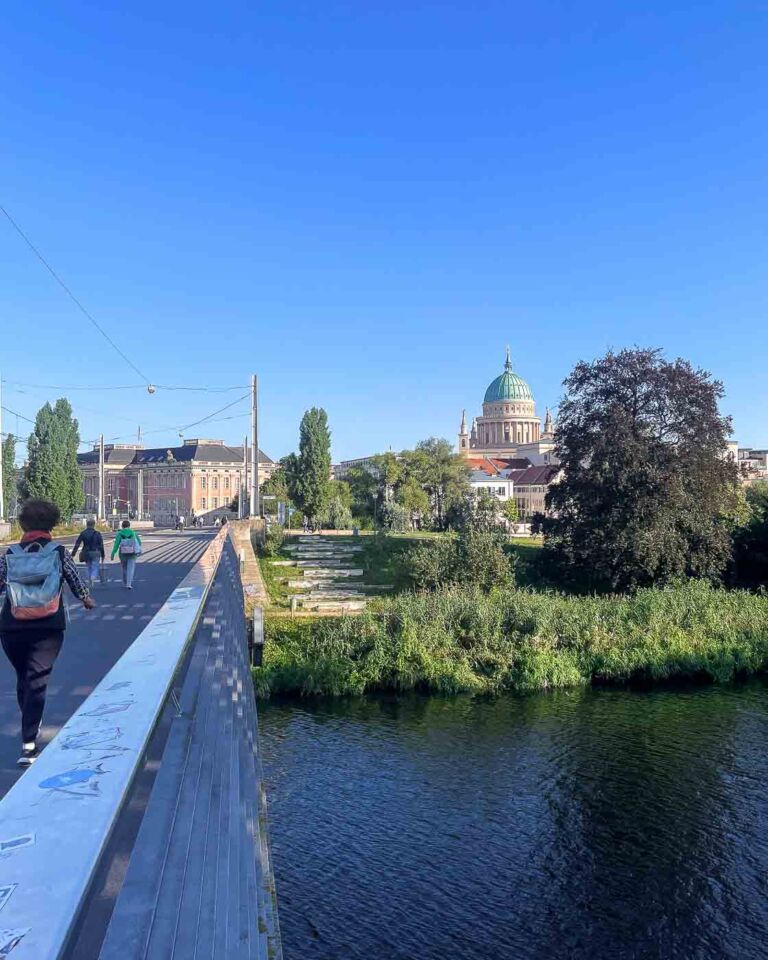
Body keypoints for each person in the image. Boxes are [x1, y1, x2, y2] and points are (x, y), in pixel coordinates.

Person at [0, 499, 95, 766]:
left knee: (25, 678)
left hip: (11, 626)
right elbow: (74, 578)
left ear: (23, 524)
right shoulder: (58, 552)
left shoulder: (10, 554)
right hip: (48, 626)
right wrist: (86, 598)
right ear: (52, 524)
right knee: (37, 680)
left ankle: (30, 721)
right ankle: (28, 746)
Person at [71, 518, 105, 589]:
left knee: (88, 566)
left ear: (87, 525)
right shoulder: (97, 534)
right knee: (95, 566)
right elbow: (101, 545)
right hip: (96, 552)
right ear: (94, 525)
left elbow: (77, 544)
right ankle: (93, 577)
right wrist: (103, 554)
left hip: (86, 553)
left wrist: (73, 553)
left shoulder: (83, 533)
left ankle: (90, 581)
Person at [111, 520, 142, 589]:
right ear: (129, 526)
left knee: (124, 568)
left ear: (122, 526)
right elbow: (139, 542)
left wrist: (113, 553)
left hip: (122, 554)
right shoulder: (133, 533)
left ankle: (125, 582)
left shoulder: (119, 533)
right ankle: (129, 584)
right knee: (130, 569)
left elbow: (116, 544)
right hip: (132, 554)